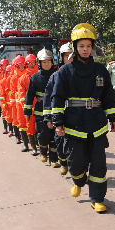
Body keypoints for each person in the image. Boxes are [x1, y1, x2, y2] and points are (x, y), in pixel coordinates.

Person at [52, 23, 115, 213]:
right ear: (75, 47)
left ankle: (97, 198)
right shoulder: (65, 71)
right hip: (74, 123)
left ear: (93, 47)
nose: (85, 49)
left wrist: (112, 117)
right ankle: (78, 180)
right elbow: (57, 97)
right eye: (82, 46)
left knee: (98, 163)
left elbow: (108, 96)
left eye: (88, 46)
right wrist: (58, 121)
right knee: (76, 162)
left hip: (96, 122)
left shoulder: (101, 71)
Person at [26, 49, 60, 167]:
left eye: (49, 61)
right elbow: (29, 95)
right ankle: (43, 152)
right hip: (40, 111)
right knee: (44, 134)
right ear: (39, 63)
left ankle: (54, 160)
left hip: (55, 110)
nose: (47, 64)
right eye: (44, 62)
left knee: (55, 136)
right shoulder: (35, 78)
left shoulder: (57, 75)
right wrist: (27, 111)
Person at [44, 43, 73, 175]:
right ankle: (63, 162)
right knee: (60, 141)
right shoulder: (55, 76)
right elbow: (49, 98)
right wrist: (49, 118)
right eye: (67, 56)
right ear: (62, 58)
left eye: (73, 55)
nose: (70, 58)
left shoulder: (82, 75)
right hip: (60, 116)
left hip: (76, 115)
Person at [18, 54, 39, 154]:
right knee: (30, 127)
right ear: (26, 64)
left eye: (33, 62)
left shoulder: (40, 75)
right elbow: (22, 95)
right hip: (30, 107)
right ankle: (33, 147)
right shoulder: (22, 79)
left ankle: (42, 147)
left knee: (41, 127)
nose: (31, 64)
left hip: (40, 106)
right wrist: (26, 109)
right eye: (29, 63)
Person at [10, 56, 26, 144]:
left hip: (24, 101)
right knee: (16, 120)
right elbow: (12, 91)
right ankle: (17, 137)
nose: (21, 66)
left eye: (23, 64)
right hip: (16, 102)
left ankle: (26, 138)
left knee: (26, 120)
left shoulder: (27, 74)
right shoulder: (13, 77)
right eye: (19, 64)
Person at [0, 59, 10, 134]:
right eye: (3, 66)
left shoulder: (10, 73)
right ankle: (5, 128)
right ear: (1, 66)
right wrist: (1, 90)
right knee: (4, 112)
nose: (5, 67)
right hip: (2, 95)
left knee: (10, 113)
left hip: (9, 96)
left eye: (6, 65)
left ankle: (11, 129)